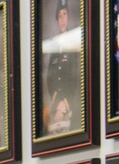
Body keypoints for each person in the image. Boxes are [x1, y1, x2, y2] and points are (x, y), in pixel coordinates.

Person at [43, 0, 79, 134]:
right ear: (57, 20)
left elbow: (76, 76)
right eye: (59, 16)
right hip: (56, 105)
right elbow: (49, 78)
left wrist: (65, 102)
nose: (62, 19)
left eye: (65, 14)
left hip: (70, 104)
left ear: (68, 16)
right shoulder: (54, 45)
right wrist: (56, 103)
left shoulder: (74, 42)